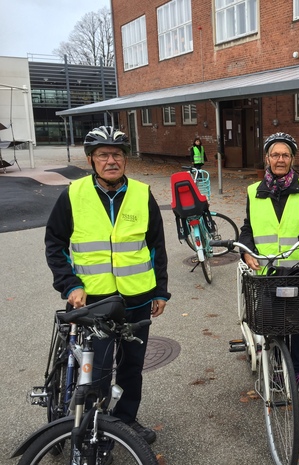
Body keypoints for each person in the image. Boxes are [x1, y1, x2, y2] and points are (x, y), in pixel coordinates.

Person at [45, 126, 170, 444]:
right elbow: (55, 244)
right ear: (91, 160)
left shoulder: (143, 194)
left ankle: (125, 421)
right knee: (96, 370)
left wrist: (160, 290)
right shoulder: (73, 195)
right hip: (92, 301)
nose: (111, 160)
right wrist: (69, 285)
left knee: (131, 367)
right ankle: (93, 424)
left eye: (117, 154)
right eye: (103, 154)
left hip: (138, 299)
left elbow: (156, 246)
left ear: (125, 159)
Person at [239, 132, 299, 395]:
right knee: (272, 323)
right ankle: (276, 366)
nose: (280, 159)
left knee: (298, 326)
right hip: (267, 271)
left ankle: (298, 370)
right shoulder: (254, 192)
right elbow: (248, 228)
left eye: (285, 155)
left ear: (292, 158)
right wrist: (247, 252)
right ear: (267, 158)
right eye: (275, 155)